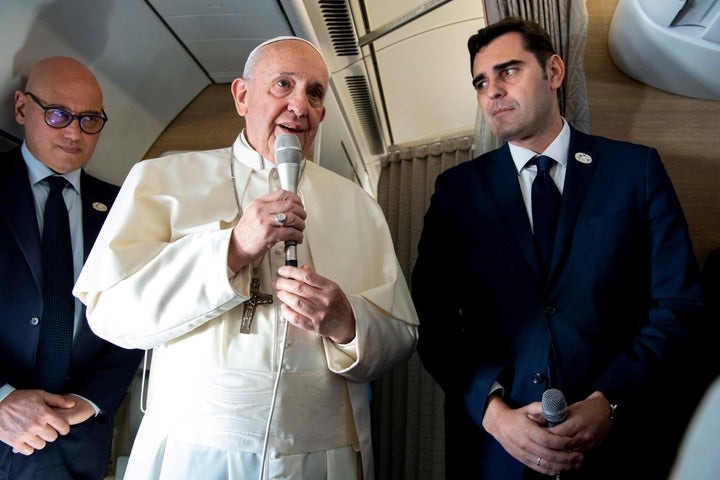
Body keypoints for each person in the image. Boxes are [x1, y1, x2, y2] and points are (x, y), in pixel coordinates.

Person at [73, 36, 419, 480]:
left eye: (314, 93)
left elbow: (401, 335)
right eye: (283, 84)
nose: (300, 105)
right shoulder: (161, 179)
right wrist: (231, 248)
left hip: (318, 457)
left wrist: (347, 324)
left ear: (323, 114)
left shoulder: (359, 206)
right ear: (242, 96)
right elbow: (111, 313)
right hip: (193, 453)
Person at [411, 17, 704, 479]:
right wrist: (493, 413)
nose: (492, 91)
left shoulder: (635, 171)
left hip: (622, 448)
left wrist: (610, 400)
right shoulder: (457, 191)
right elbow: (432, 321)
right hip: (496, 455)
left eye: (508, 71)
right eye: (481, 82)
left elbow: (679, 305)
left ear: (553, 72)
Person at [0, 57, 144, 479]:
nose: (73, 132)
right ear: (22, 108)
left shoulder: (124, 208)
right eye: (59, 114)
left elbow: (132, 320)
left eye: (89, 119)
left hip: (75, 440)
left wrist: (92, 400)